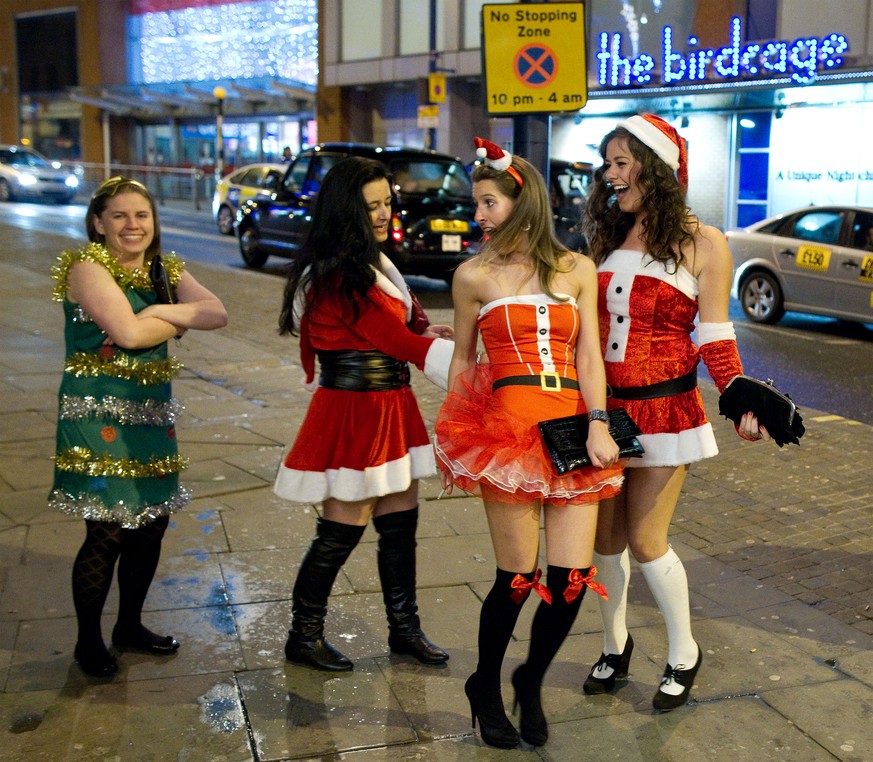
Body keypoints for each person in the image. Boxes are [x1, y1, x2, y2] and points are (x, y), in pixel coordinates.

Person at [434, 138, 625, 749]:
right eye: (478, 204)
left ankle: (531, 678)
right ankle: (484, 686)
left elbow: (590, 354)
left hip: (572, 434)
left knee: (571, 580)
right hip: (507, 435)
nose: (480, 215)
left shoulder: (578, 269)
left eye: (488, 202)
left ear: (522, 202)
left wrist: (598, 421)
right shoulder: (472, 276)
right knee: (516, 578)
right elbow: (464, 360)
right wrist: (459, 429)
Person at [581, 114, 770, 712]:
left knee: (644, 538)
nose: (609, 176)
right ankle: (615, 646)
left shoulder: (703, 241)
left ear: (656, 168)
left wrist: (739, 398)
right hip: (604, 416)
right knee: (601, 543)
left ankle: (684, 652)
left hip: (666, 411)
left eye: (621, 163)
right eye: (606, 163)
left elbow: (715, 334)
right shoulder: (607, 238)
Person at [274, 156, 454, 672]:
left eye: (386, 203)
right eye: (370, 205)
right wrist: (470, 374)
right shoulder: (336, 275)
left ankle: (405, 629)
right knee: (340, 531)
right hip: (355, 412)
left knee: (400, 526)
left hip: (388, 406)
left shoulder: (368, 262)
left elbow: (401, 331)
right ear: (345, 209)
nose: (382, 213)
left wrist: (425, 336)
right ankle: (302, 635)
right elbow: (392, 338)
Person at [49, 176, 228, 678]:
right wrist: (169, 319)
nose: (133, 225)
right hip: (97, 414)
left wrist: (157, 310)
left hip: (149, 414)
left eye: (142, 215)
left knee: (149, 527)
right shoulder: (87, 268)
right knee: (106, 529)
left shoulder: (163, 269)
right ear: (98, 223)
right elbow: (127, 334)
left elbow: (217, 312)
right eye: (120, 216)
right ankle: (88, 641)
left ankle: (129, 625)